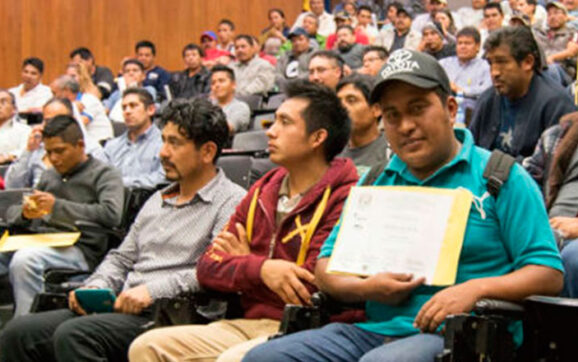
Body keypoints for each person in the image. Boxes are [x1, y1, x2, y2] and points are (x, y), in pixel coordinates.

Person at [244, 48, 564, 362]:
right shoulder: (376, 181)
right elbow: (325, 268)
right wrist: (368, 288)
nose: (406, 125)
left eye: (417, 108)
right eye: (392, 116)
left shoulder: (500, 176)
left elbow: (548, 273)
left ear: (451, 109)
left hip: (464, 335)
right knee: (265, 357)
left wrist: (475, 290)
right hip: (371, 331)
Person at [0, 98, 246, 362]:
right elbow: (122, 258)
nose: (162, 152)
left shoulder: (232, 201)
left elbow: (213, 270)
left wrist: (152, 291)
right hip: (123, 304)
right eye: (163, 140)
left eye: (174, 143)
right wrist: (96, 285)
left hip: (173, 314)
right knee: (18, 332)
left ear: (207, 152)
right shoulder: (157, 199)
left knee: (76, 335)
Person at [128, 79, 358, 362]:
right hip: (246, 323)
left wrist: (243, 263)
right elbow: (207, 268)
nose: (271, 132)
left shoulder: (346, 195)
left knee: (233, 360)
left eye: (284, 123)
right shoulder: (263, 190)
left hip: (306, 329)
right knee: (146, 346)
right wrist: (261, 268)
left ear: (317, 138)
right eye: (273, 121)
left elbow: (307, 287)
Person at [0, 115, 124, 317]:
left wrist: (56, 207)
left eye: (60, 151)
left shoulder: (105, 174)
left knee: (25, 260)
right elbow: (16, 211)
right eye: (49, 153)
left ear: (80, 145)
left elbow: (111, 215)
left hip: (82, 248)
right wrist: (25, 213)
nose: (54, 158)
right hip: (42, 240)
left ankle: (22, 332)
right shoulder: (50, 175)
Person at [470, 26, 576, 160]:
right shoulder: (488, 99)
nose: (494, 72)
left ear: (528, 62)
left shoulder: (556, 104)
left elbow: (554, 169)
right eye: (491, 63)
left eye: (502, 62)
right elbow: (471, 150)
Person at [4, 98, 107, 189]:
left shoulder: (91, 149)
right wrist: (28, 151)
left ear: (73, 121)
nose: (53, 125)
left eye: (58, 120)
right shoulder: (37, 147)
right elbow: (12, 186)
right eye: (48, 121)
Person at [104, 88, 165, 188]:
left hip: (150, 200)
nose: (127, 111)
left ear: (151, 109)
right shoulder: (112, 146)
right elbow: (101, 178)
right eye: (124, 107)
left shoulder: (164, 143)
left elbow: (162, 178)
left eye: (133, 106)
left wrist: (120, 183)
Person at [337, 74, 388, 175]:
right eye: (338, 102)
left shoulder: (391, 151)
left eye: (351, 100)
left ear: (376, 109)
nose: (342, 108)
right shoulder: (331, 153)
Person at [439, 27, 491, 111]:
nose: (462, 47)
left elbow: (487, 90)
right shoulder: (443, 63)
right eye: (459, 43)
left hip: (471, 109)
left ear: (477, 46)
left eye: (467, 43)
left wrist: (461, 90)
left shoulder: (485, 67)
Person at [50, 76, 113, 142]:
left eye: (54, 93)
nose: (53, 97)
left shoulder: (89, 100)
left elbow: (77, 125)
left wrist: (72, 108)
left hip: (101, 143)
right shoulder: (69, 105)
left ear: (66, 90)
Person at [535, 2, 578, 79]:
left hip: (563, 70)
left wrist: (552, 57)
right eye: (549, 14)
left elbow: (571, 51)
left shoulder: (573, 33)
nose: (552, 17)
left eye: (556, 13)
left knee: (552, 69)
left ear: (565, 16)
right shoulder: (541, 33)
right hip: (542, 67)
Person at [105, 59, 157, 123]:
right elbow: (105, 111)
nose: (131, 73)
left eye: (135, 70)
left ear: (143, 76)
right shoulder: (116, 94)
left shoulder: (149, 89)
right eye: (127, 71)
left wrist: (131, 87)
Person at [210, 65, 251, 133]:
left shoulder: (240, 107)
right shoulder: (208, 106)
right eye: (213, 83)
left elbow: (227, 129)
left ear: (233, 85)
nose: (216, 85)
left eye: (221, 81)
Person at [0, 89, 31, 164]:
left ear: (14, 109)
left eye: (3, 102)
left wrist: (6, 157)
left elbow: (26, 152)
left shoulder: (24, 130)